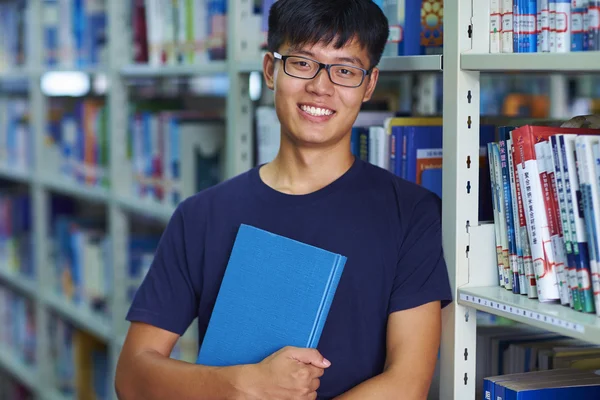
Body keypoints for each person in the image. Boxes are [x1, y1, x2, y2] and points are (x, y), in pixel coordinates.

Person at [115, 0, 453, 398]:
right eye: (302, 63)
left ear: (370, 84)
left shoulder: (410, 213)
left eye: (345, 70)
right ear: (271, 70)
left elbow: (408, 382)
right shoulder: (201, 215)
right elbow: (132, 377)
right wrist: (241, 385)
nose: (320, 87)